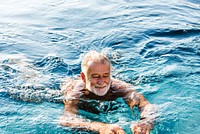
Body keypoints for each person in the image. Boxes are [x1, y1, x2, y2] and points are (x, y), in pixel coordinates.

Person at [59, 51, 157, 134]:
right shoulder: (76, 92)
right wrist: (100, 127)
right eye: (95, 76)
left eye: (105, 75)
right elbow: (66, 119)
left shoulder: (119, 87)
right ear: (84, 78)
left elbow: (146, 105)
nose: (101, 82)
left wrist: (147, 121)